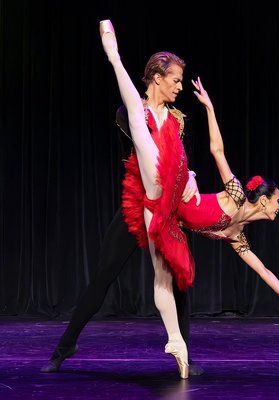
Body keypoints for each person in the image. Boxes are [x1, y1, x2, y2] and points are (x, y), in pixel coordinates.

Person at [100, 19, 279, 379]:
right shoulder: (236, 194)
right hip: (168, 182)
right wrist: (210, 109)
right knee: (137, 118)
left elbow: (264, 271)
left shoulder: (235, 236)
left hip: (162, 212)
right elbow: (216, 149)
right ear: (263, 199)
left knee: (163, 275)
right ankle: (114, 57)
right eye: (278, 202)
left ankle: (176, 343)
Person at [40, 49, 204, 376]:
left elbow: (180, 160)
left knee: (178, 281)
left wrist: (193, 177)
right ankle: (64, 346)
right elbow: (150, 155)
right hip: (138, 204)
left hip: (166, 207)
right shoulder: (127, 112)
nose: (179, 87)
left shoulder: (178, 119)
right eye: (175, 80)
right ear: (157, 78)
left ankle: (184, 353)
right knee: (103, 277)